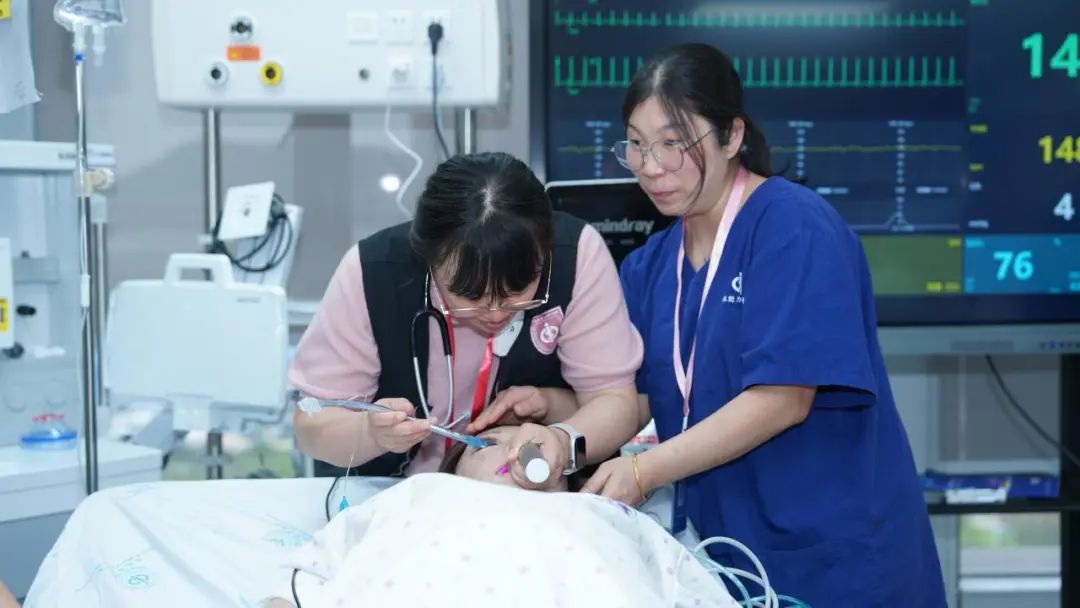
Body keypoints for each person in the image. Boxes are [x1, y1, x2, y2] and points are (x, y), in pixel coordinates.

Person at [578, 43, 947, 606]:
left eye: (674, 143)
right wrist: (555, 424)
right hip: (728, 565)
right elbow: (632, 396)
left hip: (836, 564)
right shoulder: (650, 266)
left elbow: (782, 399)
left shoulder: (793, 226)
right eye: (636, 144)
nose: (651, 166)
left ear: (732, 137)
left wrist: (643, 472)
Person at [290, 152, 644, 489]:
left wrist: (562, 441)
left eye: (518, 290)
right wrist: (371, 433)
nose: (496, 313)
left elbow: (616, 402)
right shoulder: (373, 273)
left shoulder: (576, 256)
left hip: (526, 503)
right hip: (394, 497)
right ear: (429, 261)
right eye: (471, 295)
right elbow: (311, 426)